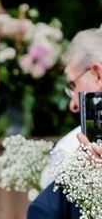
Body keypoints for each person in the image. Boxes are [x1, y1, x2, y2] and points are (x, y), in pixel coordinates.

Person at [26, 28, 102, 218]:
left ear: (98, 75)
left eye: (73, 85)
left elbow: (43, 213)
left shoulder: (71, 147)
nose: (73, 105)